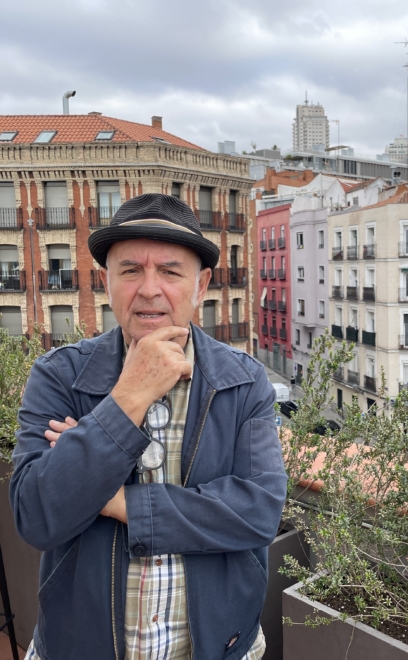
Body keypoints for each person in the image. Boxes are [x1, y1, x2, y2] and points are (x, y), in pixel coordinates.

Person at [10, 194, 287, 660]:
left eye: (171, 271)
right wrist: (129, 397)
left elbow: (258, 511)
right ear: (106, 281)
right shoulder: (60, 375)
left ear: (200, 286)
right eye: (131, 270)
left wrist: (112, 498)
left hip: (219, 646)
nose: (149, 289)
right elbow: (36, 516)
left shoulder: (243, 380)